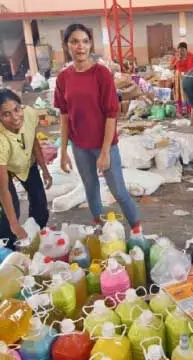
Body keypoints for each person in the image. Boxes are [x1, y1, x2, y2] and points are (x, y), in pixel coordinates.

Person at [55, 24, 142, 230]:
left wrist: (104, 152)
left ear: (90, 44)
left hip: (104, 144)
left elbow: (111, 115)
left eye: (85, 41)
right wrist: (64, 151)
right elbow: (64, 115)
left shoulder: (101, 74)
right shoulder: (63, 78)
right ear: (67, 45)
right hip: (79, 146)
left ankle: (137, 232)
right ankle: (101, 230)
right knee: (91, 189)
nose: (80, 47)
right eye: (74, 41)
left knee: (119, 191)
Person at [0, 88, 51, 243]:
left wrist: (45, 170)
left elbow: (33, 141)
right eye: (6, 114)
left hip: (21, 156)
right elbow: (3, 188)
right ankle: (5, 247)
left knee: (40, 203)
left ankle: (34, 237)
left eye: (16, 109)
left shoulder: (29, 114)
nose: (15, 117)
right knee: (12, 207)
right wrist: (14, 225)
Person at [169, 42, 193, 117]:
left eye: (182, 50)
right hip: (178, 78)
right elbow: (170, 67)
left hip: (188, 76)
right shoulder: (176, 57)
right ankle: (180, 111)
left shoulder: (191, 56)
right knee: (178, 93)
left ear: (186, 50)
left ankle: (189, 111)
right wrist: (177, 61)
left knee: (188, 93)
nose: (180, 52)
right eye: (179, 50)